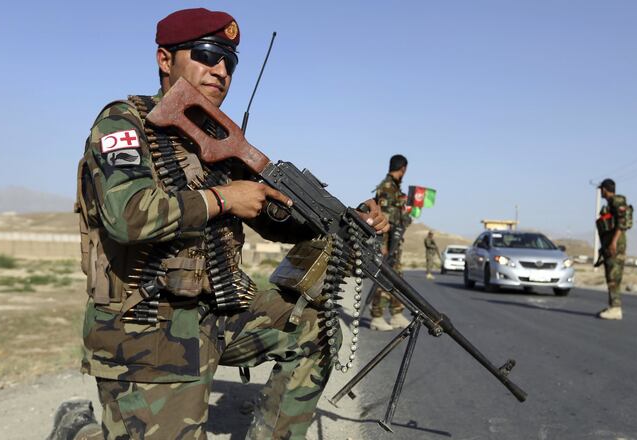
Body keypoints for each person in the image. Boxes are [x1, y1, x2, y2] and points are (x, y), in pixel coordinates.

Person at [50, 8, 388, 440]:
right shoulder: (124, 124)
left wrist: (345, 219)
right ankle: (76, 428)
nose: (221, 70)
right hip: (144, 326)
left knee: (315, 330)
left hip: (218, 311)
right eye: (208, 54)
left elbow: (272, 215)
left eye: (230, 61)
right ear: (164, 59)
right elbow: (127, 215)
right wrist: (222, 199)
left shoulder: (217, 141)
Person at [369, 154, 412, 331]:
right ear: (403, 169)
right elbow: (384, 221)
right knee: (385, 277)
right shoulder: (387, 188)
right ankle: (377, 317)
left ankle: (396, 313)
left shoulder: (395, 189)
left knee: (397, 278)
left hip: (395, 242)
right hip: (387, 243)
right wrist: (383, 246)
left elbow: (397, 218)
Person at [595, 178, 632, 320]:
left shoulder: (617, 202)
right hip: (610, 243)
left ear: (605, 189)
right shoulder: (611, 204)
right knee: (611, 275)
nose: (600, 192)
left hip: (615, 245)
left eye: (601, 190)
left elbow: (622, 224)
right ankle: (613, 306)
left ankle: (616, 308)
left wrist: (613, 243)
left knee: (613, 277)